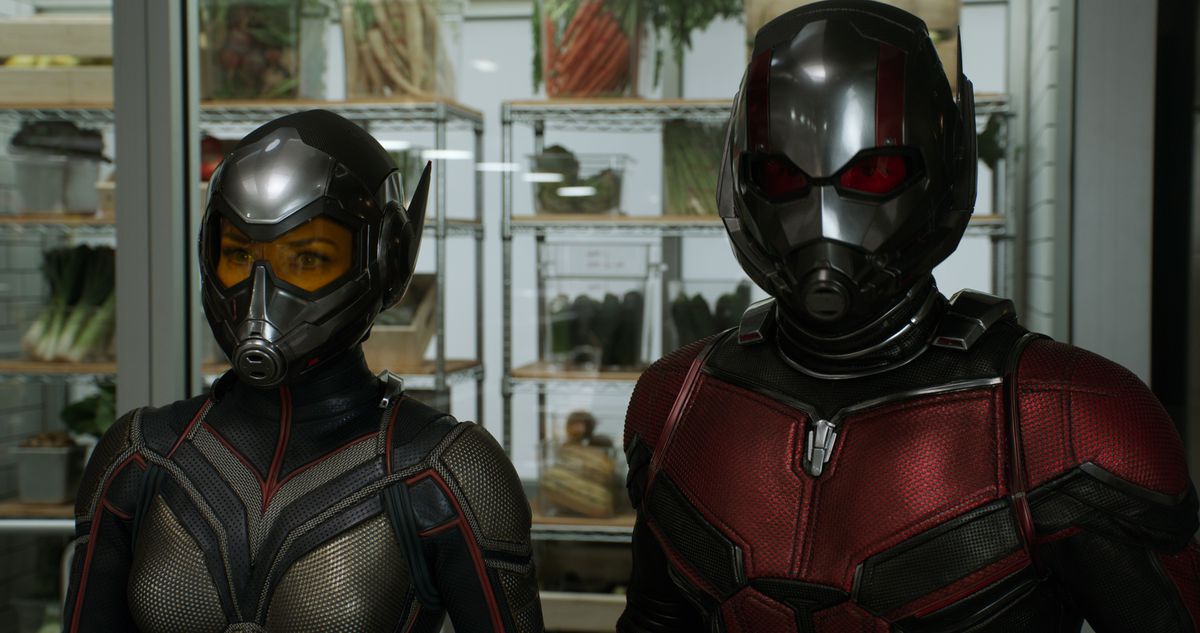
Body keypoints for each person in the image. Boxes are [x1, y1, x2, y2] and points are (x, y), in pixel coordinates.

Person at [619, 2, 1200, 631]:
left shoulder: (1064, 419)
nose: (822, 218)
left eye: (873, 172)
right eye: (783, 175)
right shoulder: (678, 401)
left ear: (938, 168)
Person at [64, 110, 543, 632]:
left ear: (385, 258)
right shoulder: (139, 458)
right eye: (238, 254)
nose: (260, 294)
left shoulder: (446, 472)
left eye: (309, 258)